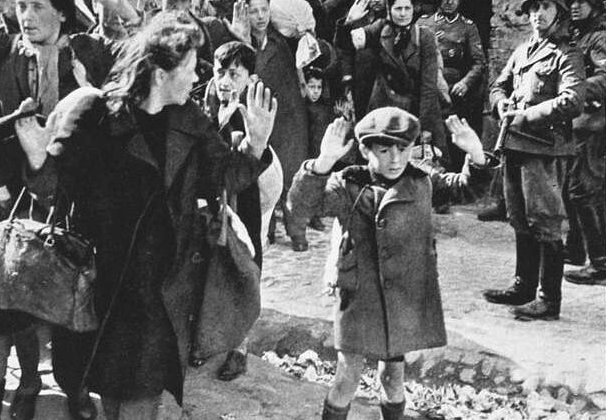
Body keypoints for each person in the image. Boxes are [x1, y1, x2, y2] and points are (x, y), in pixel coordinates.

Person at [0, 12, 276, 419]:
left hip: (160, 292)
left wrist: (255, 145)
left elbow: (222, 179)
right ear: (160, 73)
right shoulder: (97, 114)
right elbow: (54, 191)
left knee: (141, 402)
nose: (197, 77)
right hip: (99, 287)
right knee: (109, 395)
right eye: (190, 66)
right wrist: (38, 159)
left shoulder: (191, 121)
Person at [0, 0, 138, 420]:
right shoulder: (10, 56)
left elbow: (138, 62)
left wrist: (123, 13)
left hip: (81, 196)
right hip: (25, 193)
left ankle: (75, 387)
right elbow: (0, 124)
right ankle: (29, 378)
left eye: (37, 6)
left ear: (62, 11)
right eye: (21, 6)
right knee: (19, 289)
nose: (26, 16)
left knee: (75, 298)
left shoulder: (88, 51)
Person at [288, 108, 491, 420]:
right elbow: (301, 208)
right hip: (360, 297)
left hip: (401, 301)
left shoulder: (422, 182)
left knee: (393, 378)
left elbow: (467, 188)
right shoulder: (347, 185)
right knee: (347, 376)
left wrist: (476, 155)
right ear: (365, 150)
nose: (395, 159)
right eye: (384, 150)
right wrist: (322, 164)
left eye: (403, 149)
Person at [482, 0, 585, 320]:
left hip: (545, 149)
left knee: (545, 221)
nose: (538, 14)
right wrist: (500, 104)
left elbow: (573, 100)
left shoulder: (566, 54)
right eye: (533, 8)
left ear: (559, 12)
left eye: (545, 7)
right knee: (519, 217)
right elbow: (498, 85)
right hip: (513, 144)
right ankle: (523, 286)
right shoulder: (523, 51)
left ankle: (548, 299)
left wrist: (526, 115)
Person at [201, 40, 283, 380]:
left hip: (245, 196)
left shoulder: (249, 112)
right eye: (221, 71)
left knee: (245, 263)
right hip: (214, 199)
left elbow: (259, 162)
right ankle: (207, 338)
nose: (225, 81)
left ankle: (240, 347)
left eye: (235, 74)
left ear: (250, 78)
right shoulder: (206, 104)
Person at [235, 0, 310, 251]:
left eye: (264, 10)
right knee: (262, 176)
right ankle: (266, 230)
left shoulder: (281, 42)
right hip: (257, 118)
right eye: (254, 11)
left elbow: (294, 77)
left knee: (290, 175)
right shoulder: (240, 45)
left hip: (287, 118)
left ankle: (296, 231)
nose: (260, 16)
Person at [335, 0, 446, 153]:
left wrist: (425, 126)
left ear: (414, 9)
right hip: (384, 107)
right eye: (398, 8)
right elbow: (346, 44)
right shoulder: (381, 29)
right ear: (389, 9)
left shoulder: (425, 36)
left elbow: (428, 85)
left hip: (415, 109)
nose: (403, 14)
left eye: (407, 8)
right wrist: (348, 22)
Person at [562, 0, 606, 285]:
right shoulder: (578, 35)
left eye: (581, 1)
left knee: (584, 190)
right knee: (572, 187)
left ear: (595, 6)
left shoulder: (600, 38)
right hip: (577, 122)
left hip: (593, 124)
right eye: (571, 1)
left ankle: (600, 264)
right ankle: (577, 249)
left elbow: (605, 78)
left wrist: (574, 89)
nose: (575, 6)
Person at [418, 0, 486, 172]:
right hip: (427, 89)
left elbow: (479, 62)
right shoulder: (424, 23)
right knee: (425, 137)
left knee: (451, 139)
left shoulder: (467, 27)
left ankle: (453, 178)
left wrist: (465, 82)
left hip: (453, 94)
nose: (449, 2)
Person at [304, 67, 334, 231]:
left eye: (319, 87)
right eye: (312, 87)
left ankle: (315, 214)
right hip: (305, 149)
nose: (316, 91)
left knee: (319, 183)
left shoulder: (325, 106)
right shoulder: (302, 106)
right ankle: (309, 215)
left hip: (319, 150)